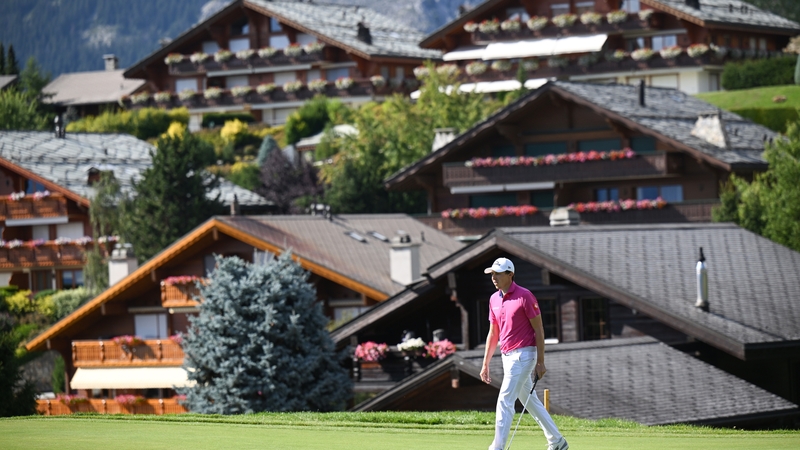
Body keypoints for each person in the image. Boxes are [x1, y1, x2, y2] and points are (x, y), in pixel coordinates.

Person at [480, 257, 568, 450]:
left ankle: (498, 447)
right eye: (492, 274)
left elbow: (539, 330)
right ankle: (557, 440)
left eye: (497, 274)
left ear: (510, 275)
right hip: (506, 356)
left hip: (524, 355)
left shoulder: (525, 296)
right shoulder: (494, 299)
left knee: (505, 399)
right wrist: (485, 363)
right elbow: (493, 333)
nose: (493, 277)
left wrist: (541, 362)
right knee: (529, 400)